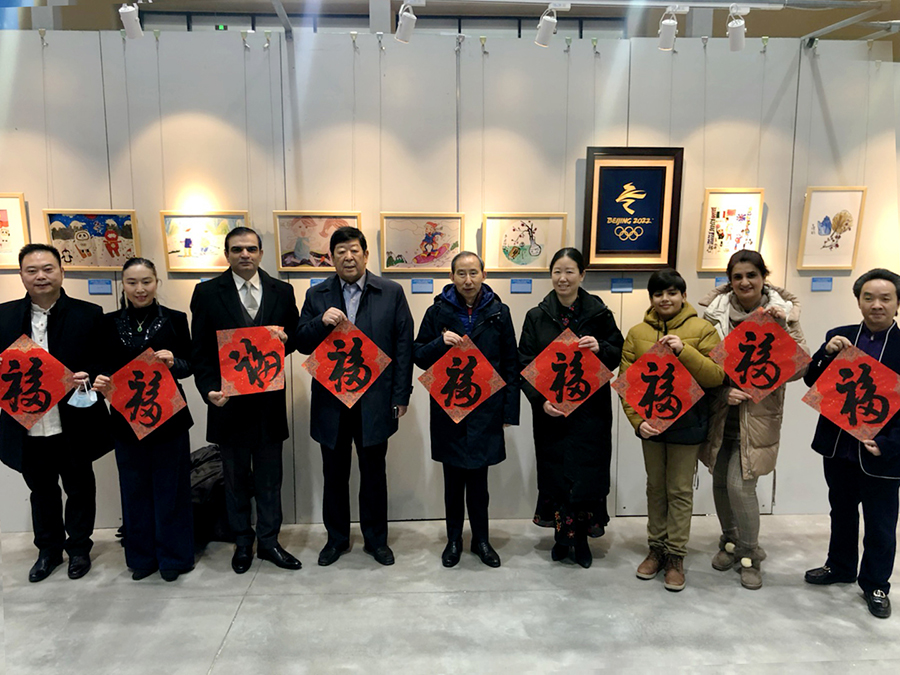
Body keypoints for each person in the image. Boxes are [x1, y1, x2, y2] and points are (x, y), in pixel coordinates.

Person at [297, 226, 414, 567]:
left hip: (375, 401)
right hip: (331, 401)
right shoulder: (317, 294)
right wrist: (320, 322)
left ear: (365, 254)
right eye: (340, 252)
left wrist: (401, 395)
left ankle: (376, 540)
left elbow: (403, 345)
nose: (348, 257)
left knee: (374, 474)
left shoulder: (390, 292)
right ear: (331, 258)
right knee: (334, 474)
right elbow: (300, 341)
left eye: (354, 250)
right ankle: (336, 539)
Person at [190, 227, 301, 574]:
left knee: (270, 480)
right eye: (237, 249)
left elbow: (295, 336)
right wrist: (208, 390)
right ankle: (242, 542)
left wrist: (285, 339)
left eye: (251, 249)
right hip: (229, 405)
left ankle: (269, 542)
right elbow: (200, 351)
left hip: (268, 404)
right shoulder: (207, 293)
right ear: (227, 254)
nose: (245, 255)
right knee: (235, 481)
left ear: (261, 253)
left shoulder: (282, 290)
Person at [0, 243, 112, 582]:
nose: (40, 276)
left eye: (48, 269)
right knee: (42, 491)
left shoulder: (88, 313)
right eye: (32, 270)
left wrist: (90, 375)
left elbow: (103, 360)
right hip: (26, 422)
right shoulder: (4, 316)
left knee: (80, 487)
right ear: (21, 275)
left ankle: (79, 548)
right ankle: (48, 551)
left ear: (61, 272)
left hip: (74, 418)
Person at [698, 249, 807, 590]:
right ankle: (729, 542)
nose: (745, 282)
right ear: (729, 281)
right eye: (738, 276)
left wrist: (781, 327)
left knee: (740, 486)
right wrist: (722, 393)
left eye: (751, 275)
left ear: (763, 278)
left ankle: (750, 554)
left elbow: (800, 368)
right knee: (719, 482)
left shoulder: (781, 314)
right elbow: (704, 365)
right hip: (722, 412)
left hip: (758, 415)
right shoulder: (715, 314)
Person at [619, 268, 725, 591]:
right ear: (651, 298)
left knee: (679, 490)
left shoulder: (703, 329)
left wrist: (684, 351)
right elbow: (627, 384)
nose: (665, 299)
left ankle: (676, 555)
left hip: (688, 424)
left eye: (672, 293)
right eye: (658, 294)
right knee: (655, 488)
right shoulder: (637, 333)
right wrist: (637, 423)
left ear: (683, 295)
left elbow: (716, 376)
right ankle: (656, 549)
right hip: (651, 425)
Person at [803, 268, 900, 619]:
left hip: (882, 451)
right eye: (868, 298)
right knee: (841, 511)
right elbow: (811, 379)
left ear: (897, 304)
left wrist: (890, 443)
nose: (877, 305)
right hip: (838, 446)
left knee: (880, 522)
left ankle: (876, 583)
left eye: (885, 298)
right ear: (858, 301)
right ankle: (840, 566)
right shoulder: (840, 336)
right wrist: (825, 353)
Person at [518, 247, 623, 568]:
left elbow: (618, 352)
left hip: (590, 411)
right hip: (552, 412)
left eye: (569, 271)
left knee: (586, 473)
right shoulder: (537, 316)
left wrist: (600, 347)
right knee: (557, 474)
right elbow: (523, 363)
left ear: (582, 275)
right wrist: (540, 400)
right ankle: (562, 537)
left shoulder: (600, 313)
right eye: (557, 272)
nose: (562, 278)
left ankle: (582, 540)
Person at [413, 252, 520, 568]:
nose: (468, 280)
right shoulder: (437, 312)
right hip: (449, 409)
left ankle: (481, 540)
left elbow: (511, 364)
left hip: (486, 410)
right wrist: (439, 343)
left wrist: (508, 413)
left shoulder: (499, 312)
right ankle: (454, 540)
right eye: (461, 273)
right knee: (452, 482)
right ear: (451, 277)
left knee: (479, 484)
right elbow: (418, 355)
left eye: (474, 273)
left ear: (484, 274)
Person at [92, 258, 195, 582]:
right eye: (132, 282)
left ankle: (174, 558)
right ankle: (141, 558)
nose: (140, 289)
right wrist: (100, 380)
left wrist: (174, 361)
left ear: (156, 283)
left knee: (172, 489)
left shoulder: (176, 319)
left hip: (169, 416)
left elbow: (190, 364)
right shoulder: (107, 323)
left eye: (146, 281)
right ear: (123, 284)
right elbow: (100, 366)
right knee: (134, 489)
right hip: (126, 418)